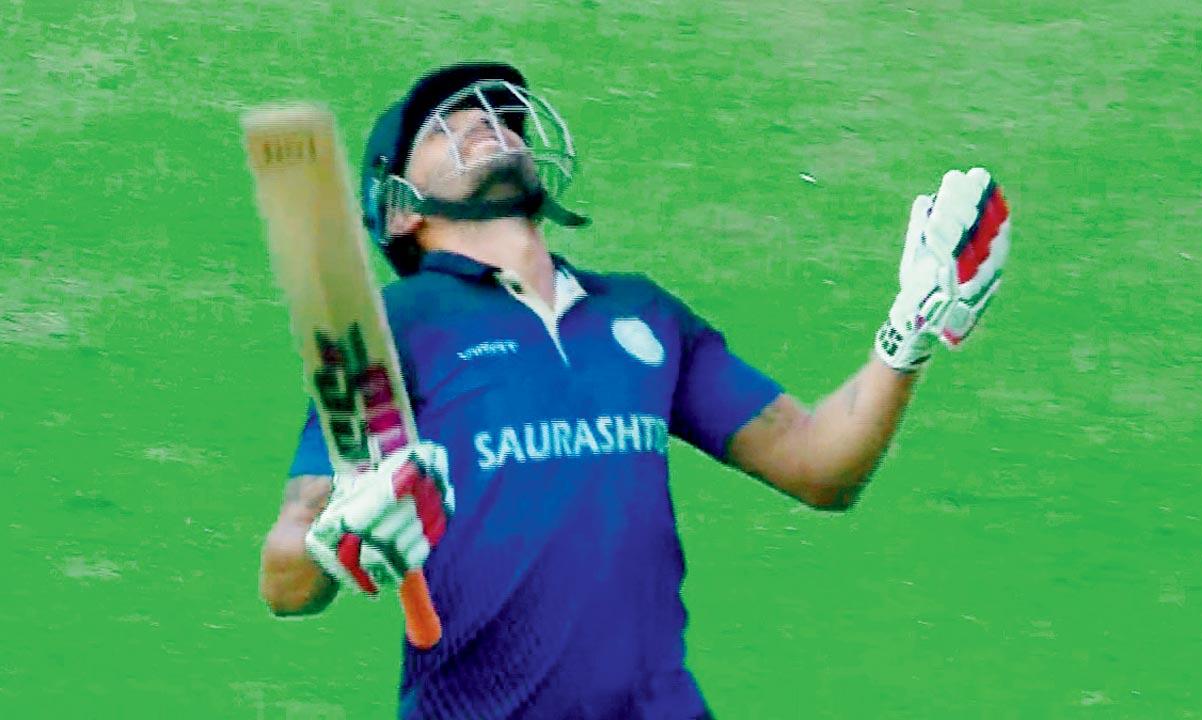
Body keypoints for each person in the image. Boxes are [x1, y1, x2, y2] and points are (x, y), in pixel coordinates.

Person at [258, 61, 1011, 719]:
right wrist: (335, 543)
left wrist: (907, 333)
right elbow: (285, 574)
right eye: (448, 126)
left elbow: (821, 467)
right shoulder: (394, 326)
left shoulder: (640, 311)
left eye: (499, 118)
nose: (489, 125)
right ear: (400, 209)